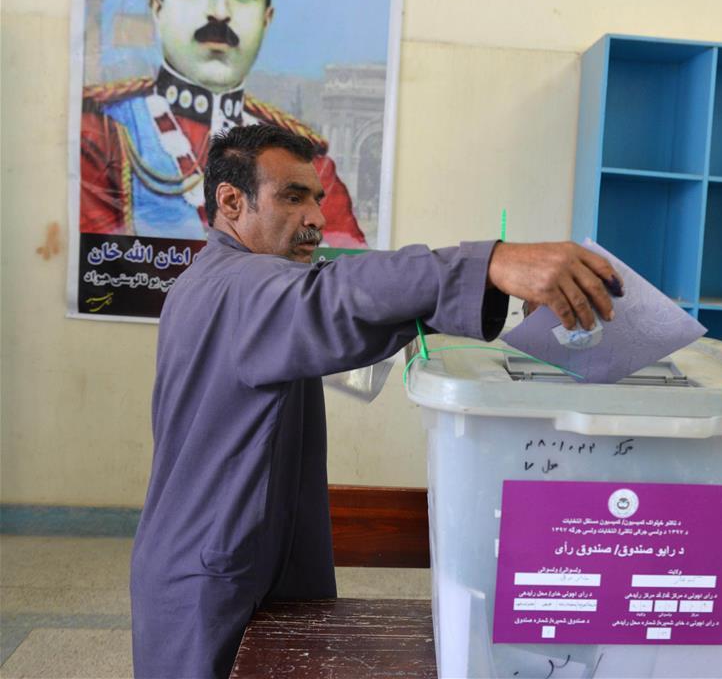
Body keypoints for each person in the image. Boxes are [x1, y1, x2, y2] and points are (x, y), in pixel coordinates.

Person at [129, 124, 624, 678]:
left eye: (316, 198)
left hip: (237, 557)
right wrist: (492, 263)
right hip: (206, 584)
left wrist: (501, 294)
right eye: (293, 197)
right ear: (231, 202)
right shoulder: (236, 287)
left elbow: (353, 309)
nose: (316, 217)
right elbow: (334, 298)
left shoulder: (236, 282)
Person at [80, 0, 366, 247]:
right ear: (157, 6)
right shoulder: (104, 134)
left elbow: (345, 273)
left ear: (266, 18)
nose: (219, 12)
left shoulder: (309, 163)